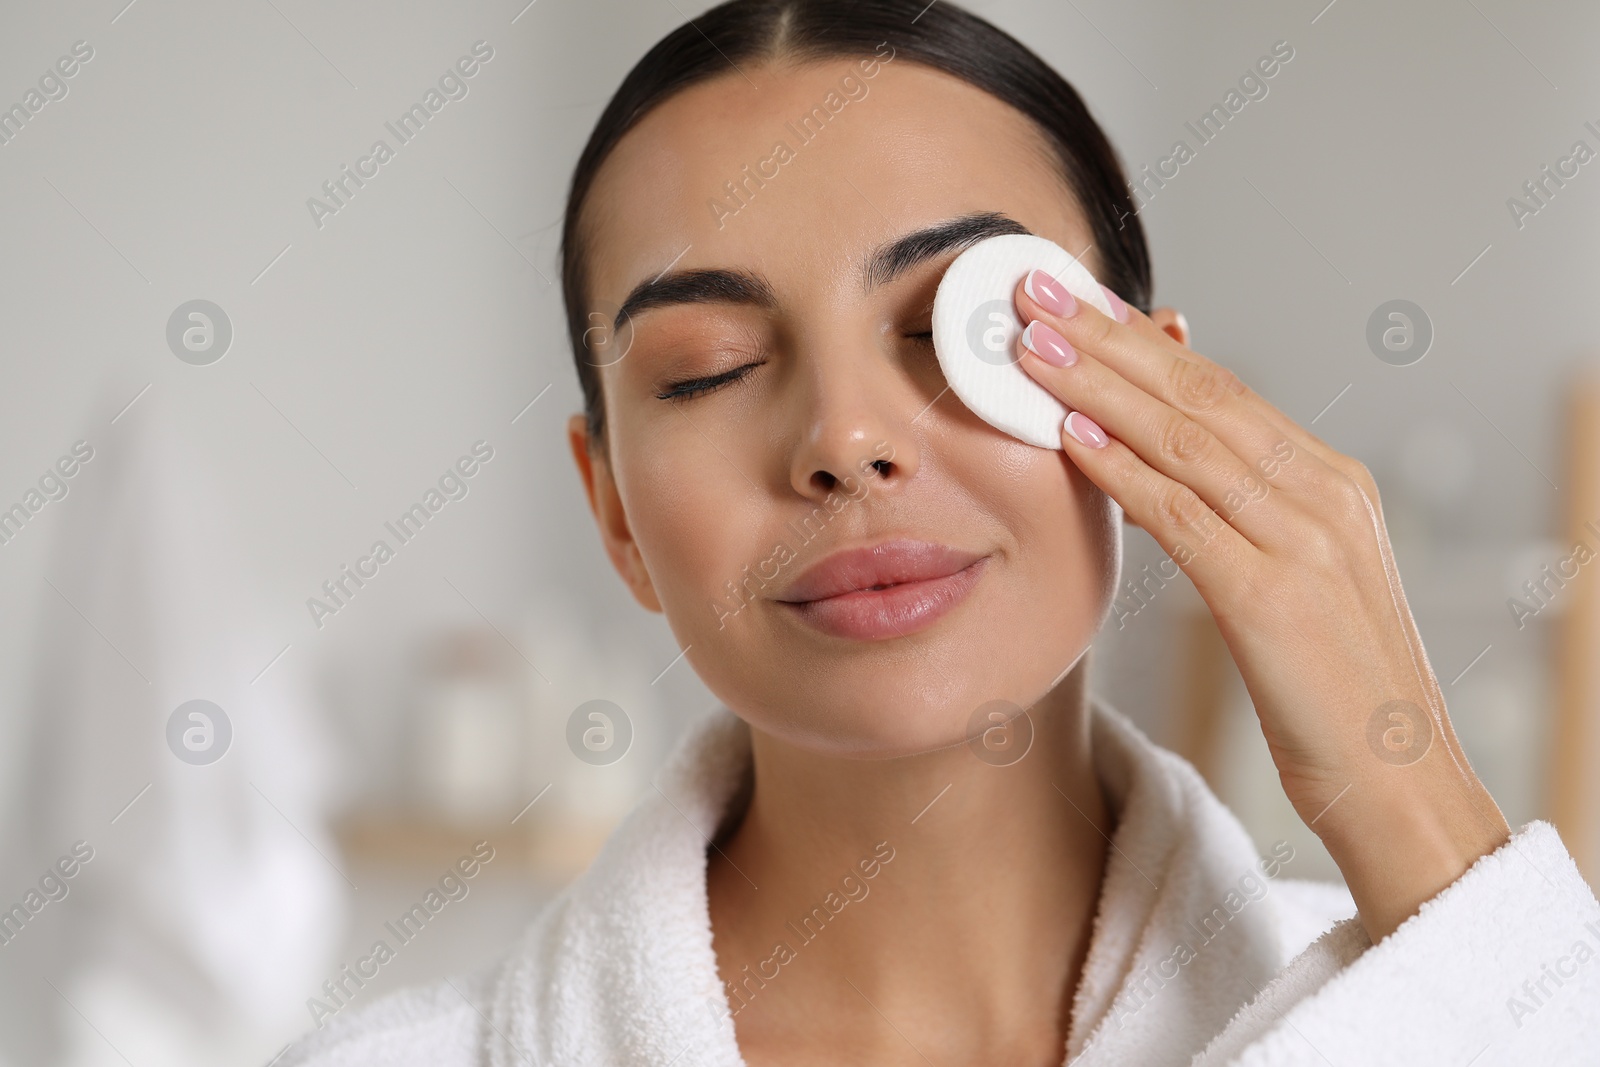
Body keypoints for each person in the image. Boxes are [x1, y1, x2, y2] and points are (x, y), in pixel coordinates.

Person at [283, 1, 1600, 1063]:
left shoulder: (1425, 1019)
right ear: (614, 510)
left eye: (948, 332)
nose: (844, 440)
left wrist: (1426, 825)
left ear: (1160, 410)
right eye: (708, 365)